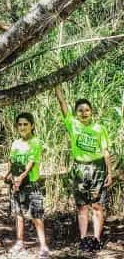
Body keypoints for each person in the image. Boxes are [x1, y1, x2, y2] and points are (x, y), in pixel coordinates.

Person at [55, 85, 112, 252]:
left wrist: (110, 172)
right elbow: (63, 104)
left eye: (87, 110)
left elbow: (105, 151)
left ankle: (96, 239)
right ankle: (83, 239)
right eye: (80, 110)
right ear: (76, 113)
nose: (84, 113)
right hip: (80, 168)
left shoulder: (99, 129)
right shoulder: (73, 125)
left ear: (92, 111)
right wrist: (57, 86)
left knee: (97, 206)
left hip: (98, 168)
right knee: (82, 206)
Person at [4, 113, 50, 258]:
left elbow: (30, 164)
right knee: (19, 215)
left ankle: (43, 246)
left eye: (25, 124)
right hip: (17, 185)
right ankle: (19, 242)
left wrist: (21, 178)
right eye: (20, 124)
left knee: (36, 216)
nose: (22, 127)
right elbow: (12, 163)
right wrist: (10, 177)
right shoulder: (15, 143)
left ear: (32, 126)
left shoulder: (36, 142)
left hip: (31, 184)